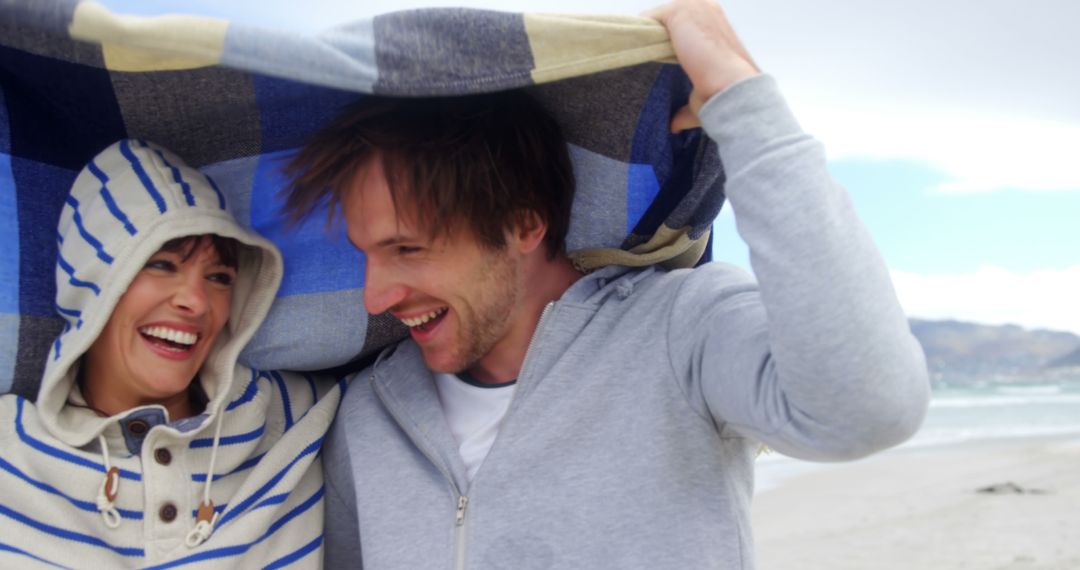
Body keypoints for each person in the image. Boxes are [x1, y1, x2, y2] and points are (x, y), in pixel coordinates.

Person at [284, 0, 930, 567]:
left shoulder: (679, 331)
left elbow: (867, 411)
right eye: (366, 255)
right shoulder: (368, 411)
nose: (376, 295)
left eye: (408, 249)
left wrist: (742, 99)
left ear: (523, 225)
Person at [0, 139, 341, 568]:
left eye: (219, 276)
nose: (196, 301)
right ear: (92, 285)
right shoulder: (10, 451)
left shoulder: (298, 417)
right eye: (161, 265)